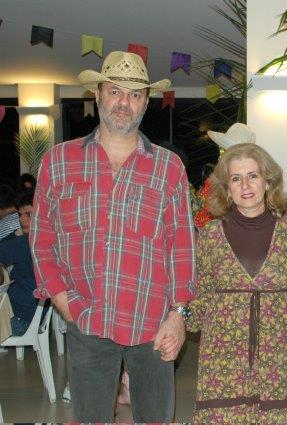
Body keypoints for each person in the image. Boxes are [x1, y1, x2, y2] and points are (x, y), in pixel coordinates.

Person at [29, 51, 195, 422]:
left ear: (146, 103)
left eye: (135, 94)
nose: (124, 102)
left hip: (153, 325)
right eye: (115, 91)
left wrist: (178, 316)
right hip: (87, 320)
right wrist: (64, 302)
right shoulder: (59, 161)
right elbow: (41, 240)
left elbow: (181, 248)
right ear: (98, 95)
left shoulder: (169, 167)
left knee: (156, 419)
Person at [187, 129, 287, 424]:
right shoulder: (210, 235)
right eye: (236, 179)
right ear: (227, 188)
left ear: (267, 182)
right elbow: (200, 293)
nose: (245, 185)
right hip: (222, 359)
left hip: (274, 358)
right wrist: (176, 319)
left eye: (253, 176)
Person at [0, 191, 38, 336]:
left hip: (19, 317)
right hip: (33, 314)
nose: (22, 219)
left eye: (28, 214)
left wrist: (17, 235)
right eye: (20, 214)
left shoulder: (26, 243)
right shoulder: (45, 240)